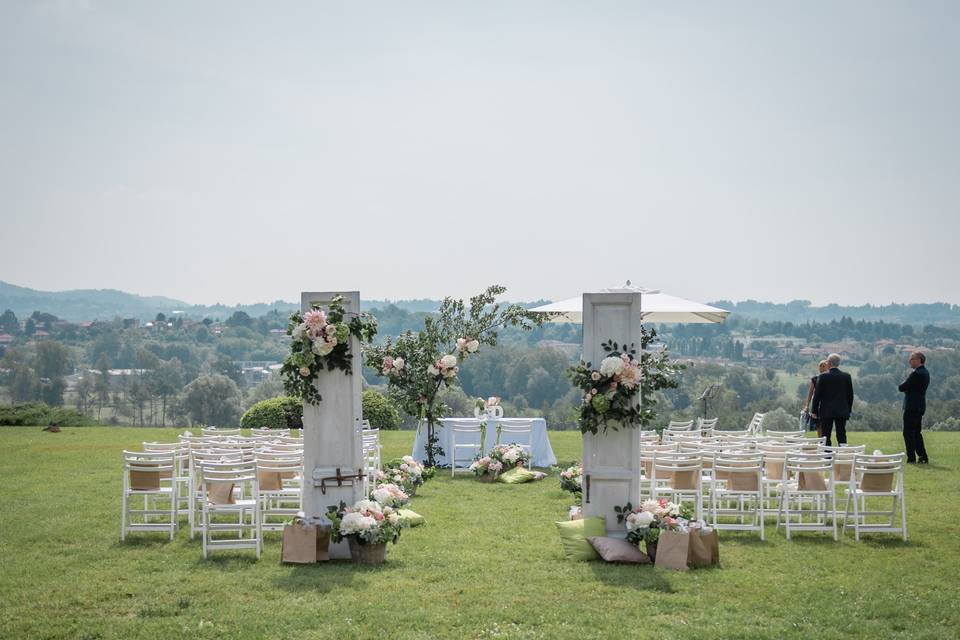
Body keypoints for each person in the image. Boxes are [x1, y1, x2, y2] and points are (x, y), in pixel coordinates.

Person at [810, 353, 854, 447]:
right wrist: (849, 410)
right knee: (841, 434)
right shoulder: (846, 376)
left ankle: (827, 458)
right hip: (842, 410)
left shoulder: (822, 377)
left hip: (826, 410)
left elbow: (817, 395)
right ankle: (843, 456)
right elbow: (850, 395)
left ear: (829, 363)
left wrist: (814, 410)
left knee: (826, 435)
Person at [899, 351, 930, 464]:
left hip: (911, 406)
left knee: (908, 432)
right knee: (917, 432)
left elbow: (902, 387)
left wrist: (907, 385)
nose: (910, 361)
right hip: (920, 406)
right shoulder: (925, 372)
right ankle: (923, 456)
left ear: (918, 360)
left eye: (912, 359)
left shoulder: (915, 374)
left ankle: (911, 457)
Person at [802, 360, 829, 436]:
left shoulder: (830, 378)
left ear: (828, 367)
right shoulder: (815, 379)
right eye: (820, 366)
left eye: (823, 366)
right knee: (818, 424)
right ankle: (820, 440)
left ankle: (825, 441)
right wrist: (807, 405)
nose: (821, 367)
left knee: (826, 424)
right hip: (817, 404)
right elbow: (810, 393)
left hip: (827, 404)